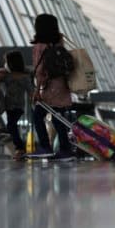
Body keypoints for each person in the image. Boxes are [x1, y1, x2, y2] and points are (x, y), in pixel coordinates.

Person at [29, 14, 74, 160]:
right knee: (58, 118)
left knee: (37, 116)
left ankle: (45, 147)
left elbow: (39, 70)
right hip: (62, 86)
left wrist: (37, 90)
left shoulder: (39, 46)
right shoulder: (59, 44)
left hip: (49, 87)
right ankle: (65, 150)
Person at [0, 50, 33, 161]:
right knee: (11, 126)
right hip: (8, 106)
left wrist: (35, 101)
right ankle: (20, 149)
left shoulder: (25, 76)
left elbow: (30, 92)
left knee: (11, 126)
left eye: (6, 61)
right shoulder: (5, 74)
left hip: (18, 106)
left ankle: (20, 149)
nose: (5, 63)